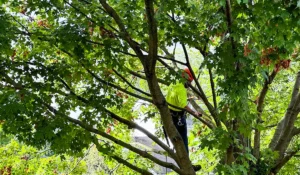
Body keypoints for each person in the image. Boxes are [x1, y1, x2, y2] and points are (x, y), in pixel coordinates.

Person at [166, 67, 202, 155]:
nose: (189, 84)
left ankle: (182, 159)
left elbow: (176, 99)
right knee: (183, 141)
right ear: (185, 78)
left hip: (169, 115)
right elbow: (183, 105)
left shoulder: (174, 83)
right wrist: (195, 113)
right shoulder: (181, 88)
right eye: (189, 82)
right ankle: (186, 160)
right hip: (177, 117)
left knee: (177, 141)